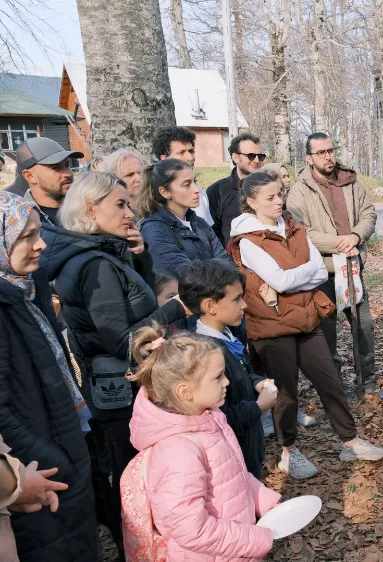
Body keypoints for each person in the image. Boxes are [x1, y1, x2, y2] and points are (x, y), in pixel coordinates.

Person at [40, 172, 191, 554]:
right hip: (120, 389)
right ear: (90, 209)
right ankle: (136, 549)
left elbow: (133, 303)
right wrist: (174, 308)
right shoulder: (94, 264)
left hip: (118, 385)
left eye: (129, 203)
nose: (130, 212)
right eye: (120, 204)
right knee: (132, 476)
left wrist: (139, 257)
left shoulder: (102, 254)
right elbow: (122, 340)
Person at [230, 173, 383, 478]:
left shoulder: (293, 226)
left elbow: (317, 272)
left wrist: (292, 278)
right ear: (251, 202)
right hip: (272, 326)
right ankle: (289, 451)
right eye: (270, 197)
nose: (279, 202)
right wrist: (294, 277)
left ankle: (350, 442)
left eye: (280, 195)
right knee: (284, 393)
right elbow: (280, 280)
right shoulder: (247, 240)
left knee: (329, 381)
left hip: (306, 317)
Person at [0, 192, 98, 561]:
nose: (40, 244)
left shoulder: (22, 290)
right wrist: (48, 460)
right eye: (27, 236)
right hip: (37, 472)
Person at [125, 326, 279, 561]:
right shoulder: (179, 451)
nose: (227, 382)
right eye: (218, 376)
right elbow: (191, 529)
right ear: (185, 391)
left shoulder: (208, 420)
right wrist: (255, 539)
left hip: (232, 549)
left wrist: (265, 502)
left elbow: (232, 473)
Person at [287, 132, 379, 395]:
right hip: (323, 272)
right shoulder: (300, 191)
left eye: (330, 150)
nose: (328, 157)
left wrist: (356, 236)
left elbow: (369, 213)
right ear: (309, 158)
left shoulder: (350, 181)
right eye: (321, 153)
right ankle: (333, 386)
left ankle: (367, 381)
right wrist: (340, 242)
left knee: (363, 327)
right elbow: (301, 232)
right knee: (327, 332)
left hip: (352, 267)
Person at [179, 260, 276, 478]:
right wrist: (258, 407)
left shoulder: (227, 337)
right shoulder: (206, 354)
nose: (244, 305)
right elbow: (217, 418)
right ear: (210, 306)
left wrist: (256, 382)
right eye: (236, 299)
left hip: (247, 448)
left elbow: (242, 373)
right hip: (231, 460)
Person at [134, 159, 229, 277]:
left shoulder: (200, 223)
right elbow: (186, 276)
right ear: (164, 192)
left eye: (195, 181)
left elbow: (228, 265)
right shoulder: (154, 230)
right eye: (186, 184)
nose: (196, 189)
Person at [207, 132, 265, 246]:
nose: (257, 160)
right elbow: (212, 233)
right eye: (251, 155)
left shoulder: (270, 187)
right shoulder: (217, 191)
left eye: (261, 156)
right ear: (235, 157)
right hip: (232, 260)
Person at [11, 138, 82, 227]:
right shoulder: (18, 222)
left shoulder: (89, 207)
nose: (68, 173)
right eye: (55, 168)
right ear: (30, 176)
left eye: (67, 165)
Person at [150, 125, 214, 225]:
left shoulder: (199, 192)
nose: (190, 157)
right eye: (181, 152)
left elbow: (208, 231)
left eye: (191, 151)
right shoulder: (153, 196)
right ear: (164, 158)